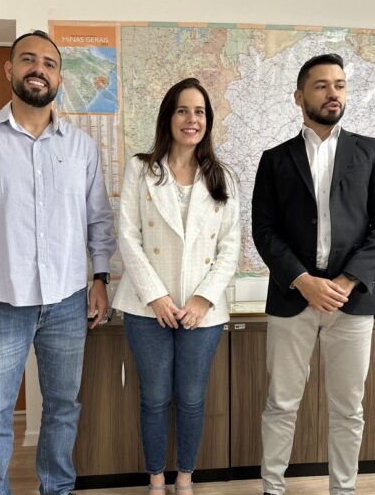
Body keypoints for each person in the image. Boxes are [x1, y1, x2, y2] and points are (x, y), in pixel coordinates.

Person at [0, 30, 116, 495]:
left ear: (59, 77)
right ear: (9, 70)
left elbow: (98, 220)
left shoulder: (81, 147)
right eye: (28, 60)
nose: (39, 69)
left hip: (68, 303)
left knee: (62, 406)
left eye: (50, 63)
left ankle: (56, 488)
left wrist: (100, 278)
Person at [252, 53, 375, 495]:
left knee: (348, 408)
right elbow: (264, 230)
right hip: (292, 295)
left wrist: (345, 282)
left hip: (353, 301)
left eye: (339, 84)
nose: (333, 92)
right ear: (299, 97)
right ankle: (272, 488)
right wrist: (303, 280)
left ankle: (344, 489)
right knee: (280, 402)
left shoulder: (370, 151)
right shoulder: (275, 159)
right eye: (321, 85)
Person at [113, 77, 240, 494]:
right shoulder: (140, 168)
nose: (191, 119)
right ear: (168, 117)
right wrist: (158, 297)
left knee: (190, 398)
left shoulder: (223, 177)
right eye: (183, 110)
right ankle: (154, 480)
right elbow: (128, 236)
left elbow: (230, 246)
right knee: (153, 397)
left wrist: (202, 300)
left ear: (208, 120)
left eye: (199, 111)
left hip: (201, 312)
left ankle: (184, 478)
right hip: (147, 307)